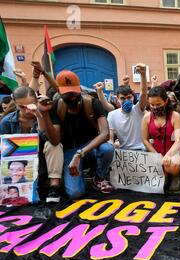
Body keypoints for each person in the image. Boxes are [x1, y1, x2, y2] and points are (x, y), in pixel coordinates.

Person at [43, 70, 115, 199]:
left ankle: (99, 177)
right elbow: (54, 140)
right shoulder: (55, 107)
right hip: (69, 150)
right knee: (75, 193)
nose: (72, 96)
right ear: (59, 92)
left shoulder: (93, 103)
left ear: (80, 89)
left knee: (107, 148)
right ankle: (75, 177)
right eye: (67, 93)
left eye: (74, 92)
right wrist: (45, 114)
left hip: (90, 147)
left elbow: (104, 134)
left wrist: (80, 153)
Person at [0, 86, 64, 202]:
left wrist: (40, 115)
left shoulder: (45, 114)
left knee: (54, 145)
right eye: (22, 107)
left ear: (36, 102)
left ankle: (54, 186)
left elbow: (54, 141)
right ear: (15, 104)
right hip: (19, 167)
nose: (27, 111)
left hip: (43, 163)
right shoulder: (7, 122)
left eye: (30, 105)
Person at [141, 86, 180, 191]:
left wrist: (168, 155)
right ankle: (166, 174)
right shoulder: (147, 117)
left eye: (158, 104)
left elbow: (179, 140)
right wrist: (157, 156)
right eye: (152, 105)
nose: (155, 107)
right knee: (160, 186)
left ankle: (175, 175)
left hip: (174, 153)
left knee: (171, 166)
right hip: (156, 153)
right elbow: (145, 139)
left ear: (165, 101)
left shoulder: (175, 116)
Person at [107, 63, 148, 150]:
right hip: (123, 151)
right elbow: (111, 138)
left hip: (141, 149)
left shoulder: (138, 109)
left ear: (133, 97)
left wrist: (143, 75)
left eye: (129, 97)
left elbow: (144, 93)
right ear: (117, 99)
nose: (126, 100)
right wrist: (110, 144)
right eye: (122, 98)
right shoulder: (112, 115)